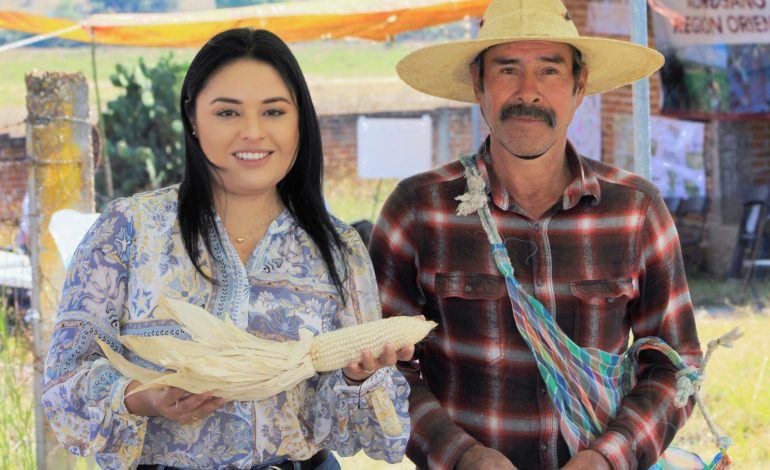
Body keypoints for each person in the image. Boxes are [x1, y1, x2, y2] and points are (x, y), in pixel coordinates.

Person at [42, 28, 414, 470]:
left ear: (299, 121)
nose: (253, 132)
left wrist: (359, 376)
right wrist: (140, 397)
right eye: (228, 113)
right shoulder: (128, 230)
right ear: (193, 119)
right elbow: (64, 383)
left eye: (274, 111)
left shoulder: (338, 249)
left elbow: (332, 422)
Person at [369, 0, 703, 469]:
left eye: (549, 71)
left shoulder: (634, 210)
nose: (528, 92)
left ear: (579, 85)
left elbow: (677, 364)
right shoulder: (419, 210)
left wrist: (609, 457)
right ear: (477, 83)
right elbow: (383, 370)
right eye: (507, 69)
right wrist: (461, 456)